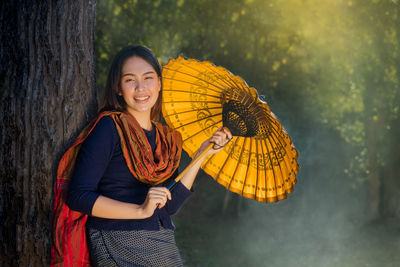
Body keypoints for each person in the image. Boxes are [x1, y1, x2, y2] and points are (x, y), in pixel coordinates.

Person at [50, 45, 232, 267]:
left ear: (159, 83)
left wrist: (203, 154)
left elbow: (168, 207)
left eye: (148, 78)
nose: (140, 88)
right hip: (118, 239)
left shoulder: (165, 138)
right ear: (118, 88)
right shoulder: (109, 127)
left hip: (161, 241)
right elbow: (78, 196)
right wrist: (140, 210)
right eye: (129, 80)